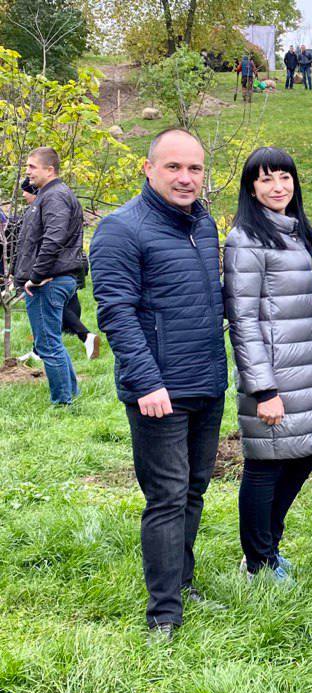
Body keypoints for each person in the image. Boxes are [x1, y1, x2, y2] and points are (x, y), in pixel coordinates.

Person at [90, 128, 228, 639]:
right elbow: (116, 313)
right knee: (167, 495)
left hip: (206, 383)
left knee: (194, 488)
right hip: (158, 392)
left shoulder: (204, 224)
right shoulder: (120, 229)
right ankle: (164, 615)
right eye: (173, 167)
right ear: (148, 169)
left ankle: (183, 583)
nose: (186, 178)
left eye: (194, 168)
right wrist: (147, 381)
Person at [224, 147, 312, 582]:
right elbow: (242, 319)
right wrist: (263, 389)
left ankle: (268, 546)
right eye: (266, 179)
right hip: (272, 376)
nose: (277, 186)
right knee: (265, 466)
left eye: (284, 177)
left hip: (305, 371)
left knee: (306, 454)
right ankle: (258, 562)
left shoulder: (297, 232)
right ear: (251, 187)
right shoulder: (244, 240)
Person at [13, 147, 86, 406]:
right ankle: (71, 394)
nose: (28, 172)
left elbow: (53, 239)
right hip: (51, 279)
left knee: (47, 345)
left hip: (48, 281)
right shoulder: (48, 195)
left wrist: (36, 275)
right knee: (51, 342)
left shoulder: (55, 197)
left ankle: (62, 402)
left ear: (49, 169)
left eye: (32, 167)